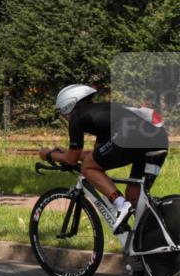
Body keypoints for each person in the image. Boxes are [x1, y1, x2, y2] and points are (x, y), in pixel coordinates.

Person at [40, 84, 169, 234]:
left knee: (87, 168)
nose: (64, 117)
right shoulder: (103, 114)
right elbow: (96, 156)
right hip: (158, 138)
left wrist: (48, 154)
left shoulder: (77, 116)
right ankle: (149, 242)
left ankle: (121, 205)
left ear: (68, 105)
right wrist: (68, 152)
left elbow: (72, 161)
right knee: (135, 198)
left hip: (130, 136)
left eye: (62, 112)